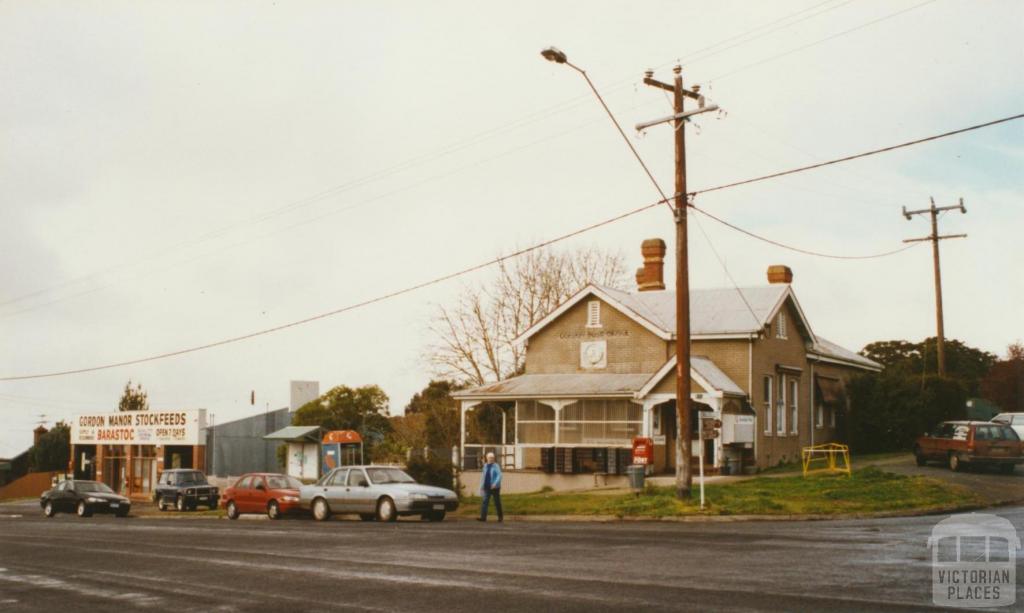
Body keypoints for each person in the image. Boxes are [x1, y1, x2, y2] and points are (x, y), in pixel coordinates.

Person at [477, 451, 503, 522]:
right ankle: (483, 517)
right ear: (487, 458)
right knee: (485, 502)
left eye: (492, 458)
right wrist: (481, 486)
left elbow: (500, 475)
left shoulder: (496, 466)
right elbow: (483, 476)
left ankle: (500, 517)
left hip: (495, 487)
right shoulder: (485, 466)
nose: (491, 459)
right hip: (487, 486)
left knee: (497, 502)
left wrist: (495, 484)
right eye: (489, 458)